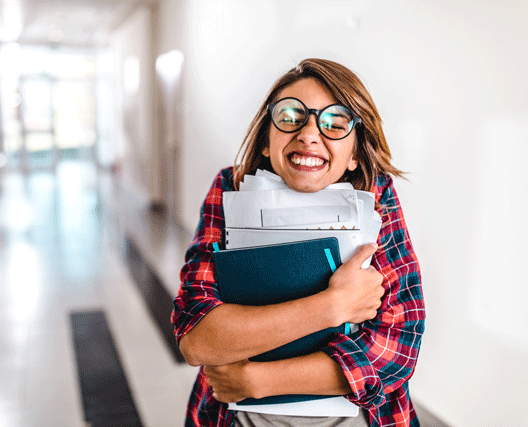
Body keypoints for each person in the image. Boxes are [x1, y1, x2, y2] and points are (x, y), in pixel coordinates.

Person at [172, 58, 425, 427]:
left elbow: (397, 350)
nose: (309, 134)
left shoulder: (377, 194)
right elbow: (197, 338)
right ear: (265, 140)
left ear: (354, 153)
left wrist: (256, 380)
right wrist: (333, 305)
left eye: (334, 123)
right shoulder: (231, 186)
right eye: (291, 117)